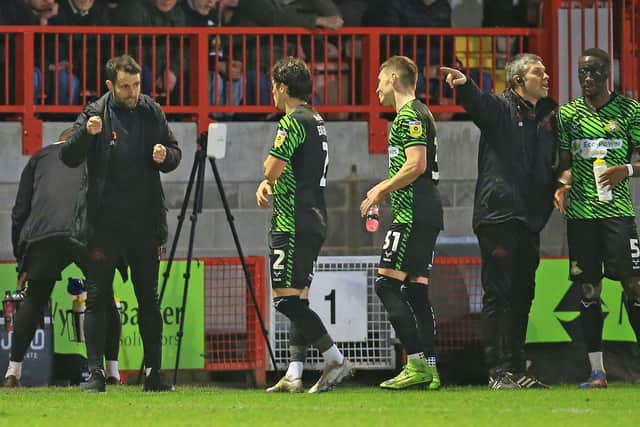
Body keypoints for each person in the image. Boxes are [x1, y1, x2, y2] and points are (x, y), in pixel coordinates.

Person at [61, 54, 181, 393]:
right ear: (110, 85)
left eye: (137, 85)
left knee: (149, 299)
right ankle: (95, 373)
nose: (133, 92)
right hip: (103, 225)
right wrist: (86, 133)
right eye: (126, 87)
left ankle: (154, 372)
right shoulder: (94, 113)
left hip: (144, 223)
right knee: (97, 298)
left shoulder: (151, 110)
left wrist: (165, 157)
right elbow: (68, 155)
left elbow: (174, 152)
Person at [440, 53, 556, 389]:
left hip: (531, 218)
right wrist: (465, 85)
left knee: (523, 293)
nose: (546, 77)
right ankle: (497, 370)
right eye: (538, 72)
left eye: (545, 71)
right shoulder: (501, 108)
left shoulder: (549, 115)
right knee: (498, 294)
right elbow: (478, 103)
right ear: (519, 80)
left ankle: (518, 368)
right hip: (499, 216)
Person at [256, 56, 353, 394]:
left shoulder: (292, 121)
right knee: (299, 296)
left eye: (273, 86)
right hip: (312, 216)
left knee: (285, 300)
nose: (272, 92)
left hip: (292, 221)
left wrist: (267, 177)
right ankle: (295, 373)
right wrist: (271, 182)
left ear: (282, 88)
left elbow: (272, 167)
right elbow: (295, 170)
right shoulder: (316, 119)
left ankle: (336, 359)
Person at [4, 128, 122, 388]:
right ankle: (111, 372)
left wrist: (22, 259)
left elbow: (20, 211)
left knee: (35, 298)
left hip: (44, 235)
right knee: (103, 296)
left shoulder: (39, 158)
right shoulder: (95, 157)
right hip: (87, 235)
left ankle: (13, 371)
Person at [554, 47, 640, 389]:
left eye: (594, 72)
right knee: (588, 289)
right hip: (581, 215)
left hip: (617, 214)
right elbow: (564, 162)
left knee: (633, 284)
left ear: (609, 73)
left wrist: (628, 169)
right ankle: (597, 372)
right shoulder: (568, 115)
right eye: (582, 74)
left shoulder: (630, 110)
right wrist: (562, 185)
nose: (587, 79)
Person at [359, 55, 442, 390]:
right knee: (415, 291)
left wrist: (380, 188)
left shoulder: (410, 116)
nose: (376, 88)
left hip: (413, 215)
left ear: (393, 78)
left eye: (379, 80)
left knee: (386, 285)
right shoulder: (419, 114)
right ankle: (431, 366)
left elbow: (416, 164)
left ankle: (417, 362)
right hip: (423, 213)